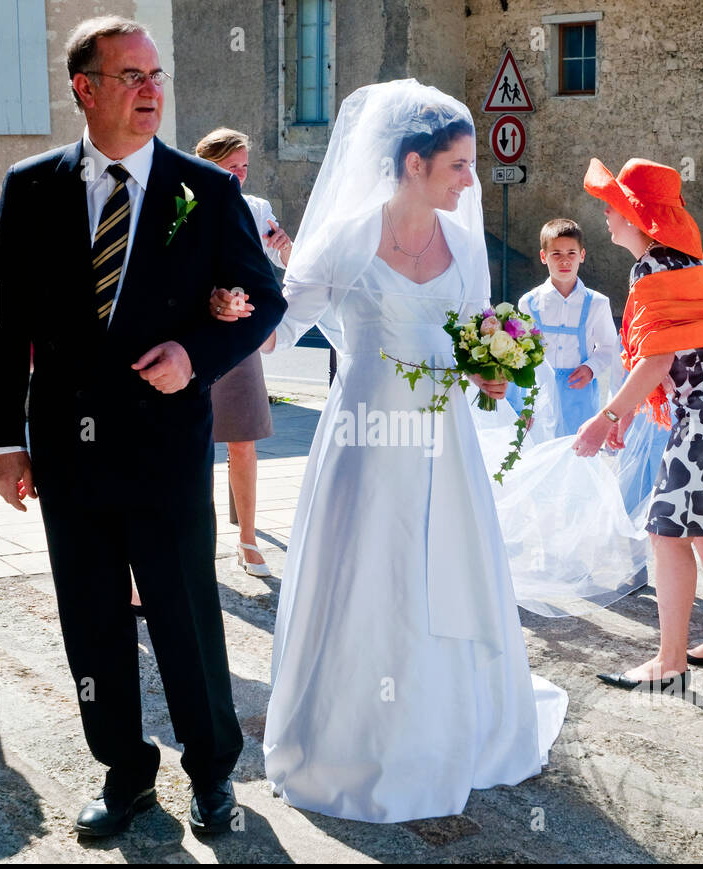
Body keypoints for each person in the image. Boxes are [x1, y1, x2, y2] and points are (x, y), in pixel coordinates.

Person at [0, 16, 284, 837]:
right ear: (85, 87)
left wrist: (198, 351)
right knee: (91, 616)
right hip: (66, 451)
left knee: (185, 612)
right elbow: (3, 321)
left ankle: (214, 769)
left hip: (165, 446)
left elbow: (264, 301)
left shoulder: (206, 191)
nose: (152, 91)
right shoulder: (32, 186)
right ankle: (124, 771)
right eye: (131, 76)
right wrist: (6, 440)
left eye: (156, 76)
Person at [242, 79, 567, 823]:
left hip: (442, 438)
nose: (469, 180)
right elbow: (280, 328)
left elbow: (474, 333)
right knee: (370, 570)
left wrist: (493, 369)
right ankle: (359, 734)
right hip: (365, 433)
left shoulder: (462, 244)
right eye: (458, 164)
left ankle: (453, 723)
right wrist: (223, 320)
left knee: (447, 565)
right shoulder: (347, 237)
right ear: (414, 162)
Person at [573, 157, 703, 688]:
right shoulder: (684, 262)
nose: (606, 216)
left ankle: (670, 661)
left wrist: (607, 415)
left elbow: (656, 360)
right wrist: (626, 410)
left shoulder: (651, 269)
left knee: (668, 531)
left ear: (636, 218)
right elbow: (669, 354)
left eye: (612, 206)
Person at [195, 127, 291, 577]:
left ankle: (248, 541)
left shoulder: (257, 209)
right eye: (231, 167)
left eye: (244, 167)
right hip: (193, 335)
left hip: (240, 336)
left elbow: (280, 262)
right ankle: (198, 543)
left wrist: (287, 250)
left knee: (243, 442)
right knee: (191, 446)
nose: (239, 175)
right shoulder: (184, 200)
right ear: (208, 164)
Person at [505, 218, 620, 435]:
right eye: (556, 254)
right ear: (543, 256)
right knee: (540, 451)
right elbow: (520, 353)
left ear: (582, 256)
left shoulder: (597, 303)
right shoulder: (528, 302)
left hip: (579, 393)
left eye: (571, 253)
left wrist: (590, 368)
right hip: (537, 392)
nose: (564, 261)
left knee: (576, 453)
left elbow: (608, 348)